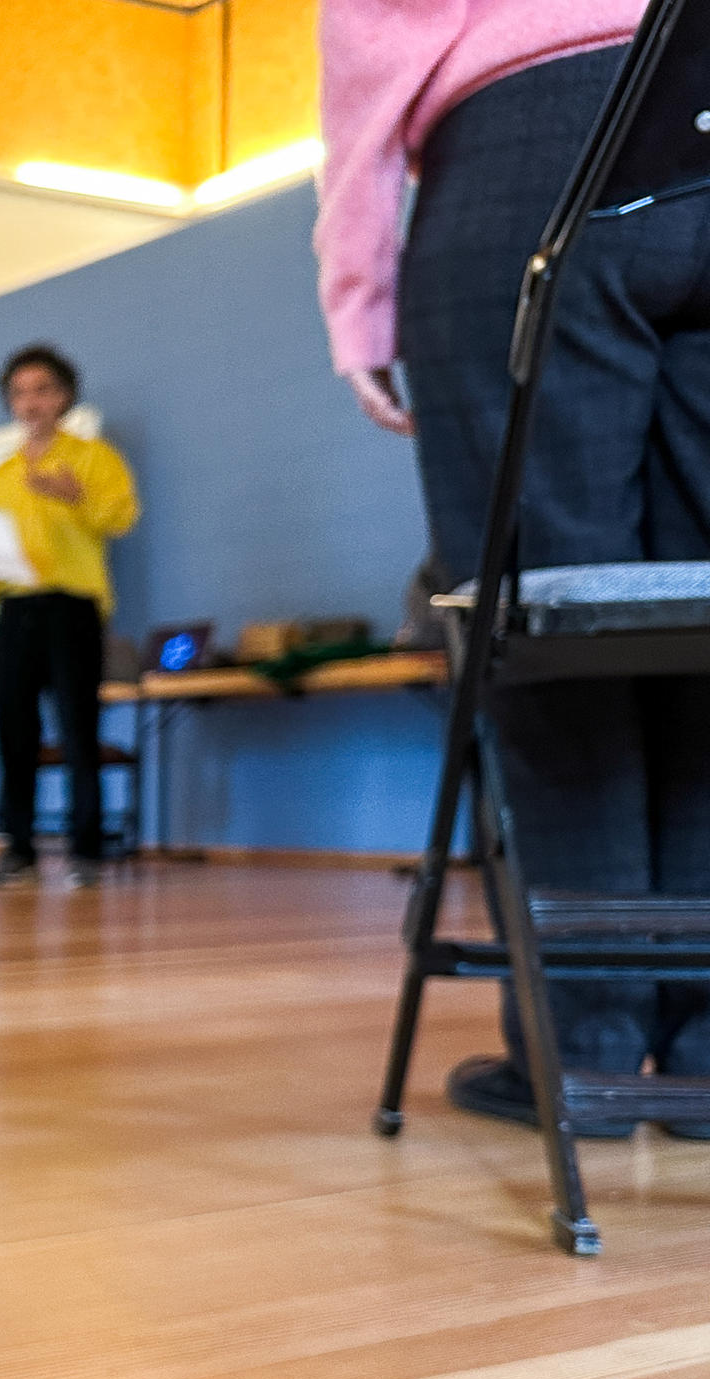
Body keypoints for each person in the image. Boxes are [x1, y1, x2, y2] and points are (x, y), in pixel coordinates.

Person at [317, 0, 710, 1136]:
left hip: (527, 150)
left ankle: (579, 1051)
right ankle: (700, 1063)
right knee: (700, 620)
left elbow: (370, 33)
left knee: (546, 618)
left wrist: (359, 297)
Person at [0, 345, 139, 891]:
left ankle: (86, 851)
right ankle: (19, 849)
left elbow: (121, 517)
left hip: (72, 608)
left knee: (77, 728)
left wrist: (77, 497)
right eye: (18, 392)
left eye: (41, 390)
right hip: (14, 610)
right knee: (13, 733)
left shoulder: (93, 458)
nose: (29, 401)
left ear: (63, 397)